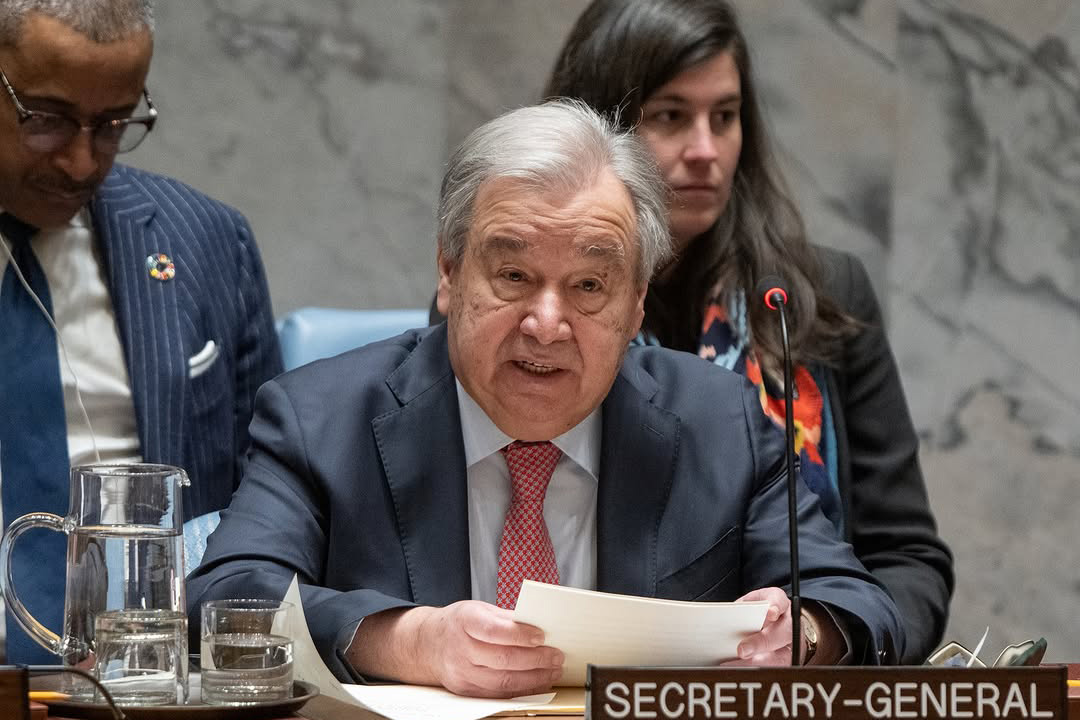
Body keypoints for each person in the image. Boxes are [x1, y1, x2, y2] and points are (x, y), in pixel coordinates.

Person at [188, 100, 904, 698]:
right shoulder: (319, 419)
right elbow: (223, 599)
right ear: (449, 272)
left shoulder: (721, 423)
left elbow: (861, 605)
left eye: (590, 286)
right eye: (514, 276)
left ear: (636, 303)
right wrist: (406, 641)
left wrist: (803, 633)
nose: (547, 323)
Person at [540, 0, 953, 663]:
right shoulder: (518, 312)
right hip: (583, 676)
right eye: (670, 116)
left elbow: (906, 559)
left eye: (725, 117)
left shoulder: (816, 297)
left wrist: (827, 638)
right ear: (599, 126)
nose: (706, 150)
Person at [0, 0, 281, 664]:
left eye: (113, 125)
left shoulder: (206, 241)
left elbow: (274, 494)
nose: (81, 163)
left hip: (152, 680)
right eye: (46, 120)